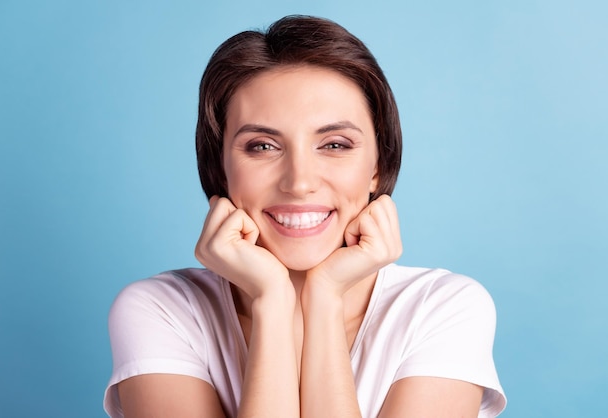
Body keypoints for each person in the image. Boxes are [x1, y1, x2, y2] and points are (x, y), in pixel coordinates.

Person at [103, 15, 506, 418]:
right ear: (219, 167)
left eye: (333, 144)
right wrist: (272, 302)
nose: (299, 182)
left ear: (377, 166)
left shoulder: (444, 309)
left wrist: (324, 299)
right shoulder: (162, 311)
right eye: (262, 146)